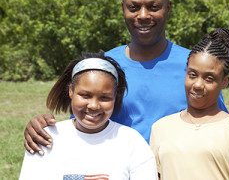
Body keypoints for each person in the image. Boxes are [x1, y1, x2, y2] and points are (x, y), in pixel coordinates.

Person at [23, 0, 229, 155]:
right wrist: (42, 127)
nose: (143, 15)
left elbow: (218, 121)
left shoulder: (194, 67)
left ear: (168, 8)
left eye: (154, 6)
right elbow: (83, 123)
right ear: (123, 9)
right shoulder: (105, 66)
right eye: (134, 7)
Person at [19, 52, 158, 180]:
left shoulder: (132, 142)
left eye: (104, 98)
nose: (93, 105)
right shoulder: (47, 137)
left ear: (115, 97)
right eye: (85, 95)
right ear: (71, 91)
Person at [150, 28, 229, 180]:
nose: (198, 84)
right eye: (192, 74)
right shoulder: (160, 128)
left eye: (209, 78)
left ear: (225, 81)